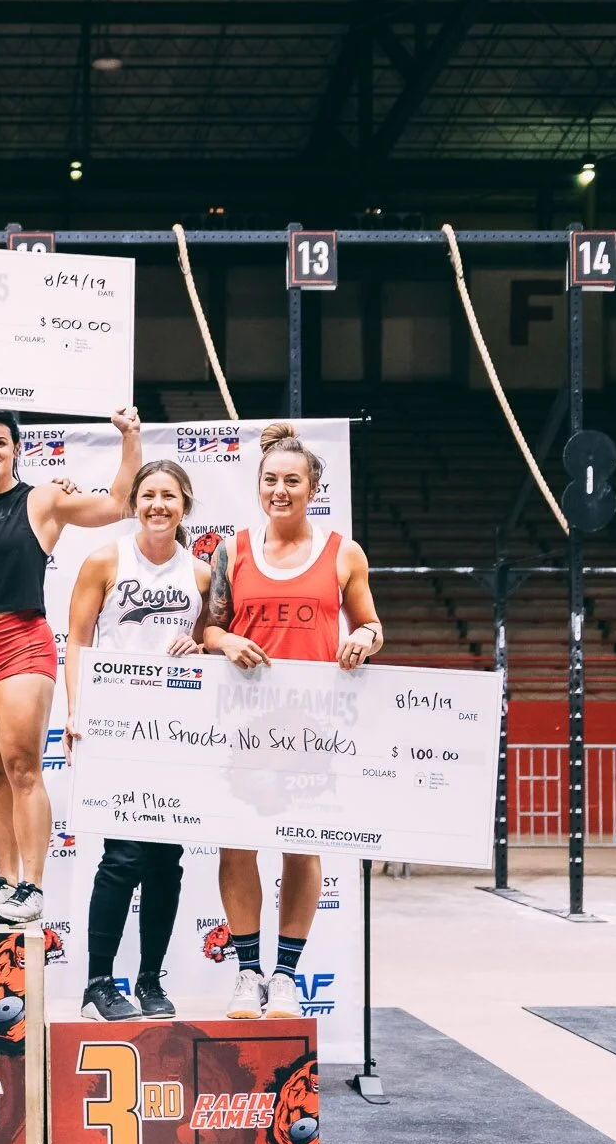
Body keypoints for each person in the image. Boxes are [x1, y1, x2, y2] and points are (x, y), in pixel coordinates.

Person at [201, 423, 383, 1020]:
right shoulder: (232, 550)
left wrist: (363, 639)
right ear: (258, 485)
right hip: (243, 725)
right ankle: (247, 973)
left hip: (313, 728)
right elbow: (209, 629)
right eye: (271, 480)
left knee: (302, 850)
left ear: (313, 488)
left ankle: (285, 976)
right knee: (237, 846)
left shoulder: (343, 553)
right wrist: (226, 641)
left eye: (292, 481)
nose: (280, 490)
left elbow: (371, 625)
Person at [0, 406, 142, 927]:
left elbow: (118, 504)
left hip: (19, 642)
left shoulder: (43, 499)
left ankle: (31, 886)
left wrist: (130, 436)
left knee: (22, 767)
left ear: (17, 449)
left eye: (0, 442)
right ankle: (5, 879)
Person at [64, 460, 210, 1021]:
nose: (157, 505)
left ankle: (150, 979)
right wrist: (76, 711)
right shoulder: (105, 560)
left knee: (166, 861)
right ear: (134, 503)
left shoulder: (200, 575)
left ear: (185, 505)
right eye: (148, 495)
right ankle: (98, 983)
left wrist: (201, 648)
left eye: (169, 496)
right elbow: (78, 641)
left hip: (176, 734)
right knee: (122, 857)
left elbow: (212, 645)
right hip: (116, 727)